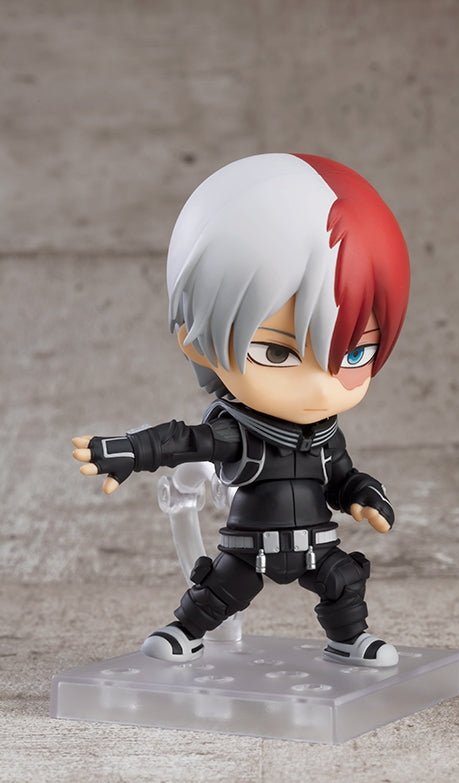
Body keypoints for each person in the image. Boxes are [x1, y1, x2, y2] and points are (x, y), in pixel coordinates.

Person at [72, 153, 410, 668]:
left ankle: (349, 640)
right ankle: (184, 632)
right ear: (197, 341)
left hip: (317, 544)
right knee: (217, 595)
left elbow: (340, 477)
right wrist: (129, 451)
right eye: (276, 352)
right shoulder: (239, 432)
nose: (319, 385)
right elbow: (183, 441)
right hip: (250, 546)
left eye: (352, 353)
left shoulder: (325, 436)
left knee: (344, 583)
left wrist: (363, 494)